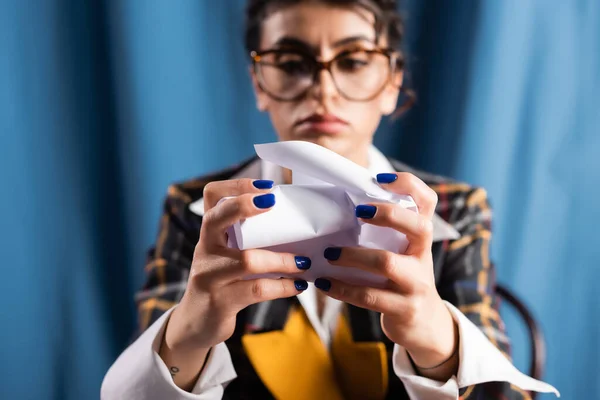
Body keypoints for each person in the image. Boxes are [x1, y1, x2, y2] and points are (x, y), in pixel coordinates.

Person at [101, 1, 559, 399]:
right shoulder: (197, 208)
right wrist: (184, 337)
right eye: (291, 61)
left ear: (392, 81)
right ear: (260, 82)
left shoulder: (452, 209)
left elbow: (506, 396)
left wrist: (439, 345)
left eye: (355, 60)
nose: (323, 89)